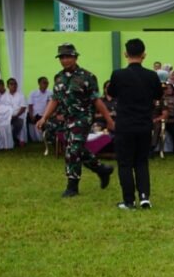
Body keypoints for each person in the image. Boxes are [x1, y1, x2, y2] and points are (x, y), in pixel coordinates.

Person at [36, 43, 115, 198]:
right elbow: (55, 99)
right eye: (62, 57)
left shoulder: (87, 77)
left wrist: (108, 119)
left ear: (75, 57)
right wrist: (44, 117)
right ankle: (101, 169)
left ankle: (72, 186)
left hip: (83, 118)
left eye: (68, 57)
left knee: (72, 150)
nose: (65, 60)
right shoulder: (58, 77)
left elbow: (96, 100)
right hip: (66, 119)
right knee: (75, 148)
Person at [106, 38, 161, 209]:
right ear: (144, 55)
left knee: (125, 163)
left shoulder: (118, 74)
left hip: (124, 125)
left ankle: (129, 201)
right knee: (141, 162)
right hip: (144, 124)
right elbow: (158, 95)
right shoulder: (152, 76)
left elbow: (111, 92)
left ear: (125, 54)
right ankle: (145, 197)